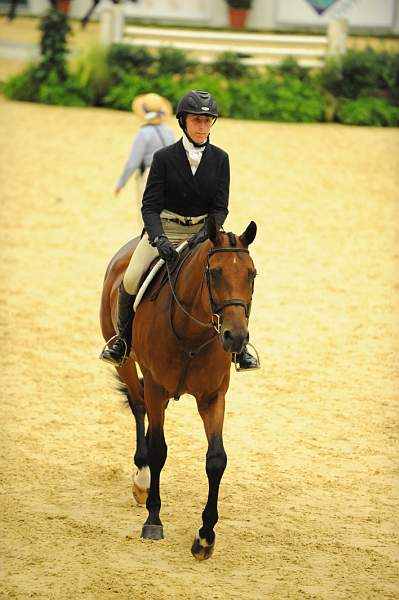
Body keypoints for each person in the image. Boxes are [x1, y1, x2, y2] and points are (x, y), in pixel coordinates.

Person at [101, 89, 259, 370]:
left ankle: (240, 348)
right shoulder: (163, 158)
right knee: (132, 276)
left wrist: (208, 232)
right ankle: (122, 341)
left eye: (207, 120)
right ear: (183, 122)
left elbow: (220, 206)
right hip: (166, 228)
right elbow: (149, 206)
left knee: (236, 274)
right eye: (196, 120)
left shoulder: (221, 159)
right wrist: (158, 238)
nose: (202, 126)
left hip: (204, 231)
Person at [114, 93, 175, 227]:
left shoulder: (144, 133)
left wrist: (121, 183)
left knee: (147, 218)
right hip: (169, 176)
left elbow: (133, 162)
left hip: (150, 175)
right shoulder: (169, 132)